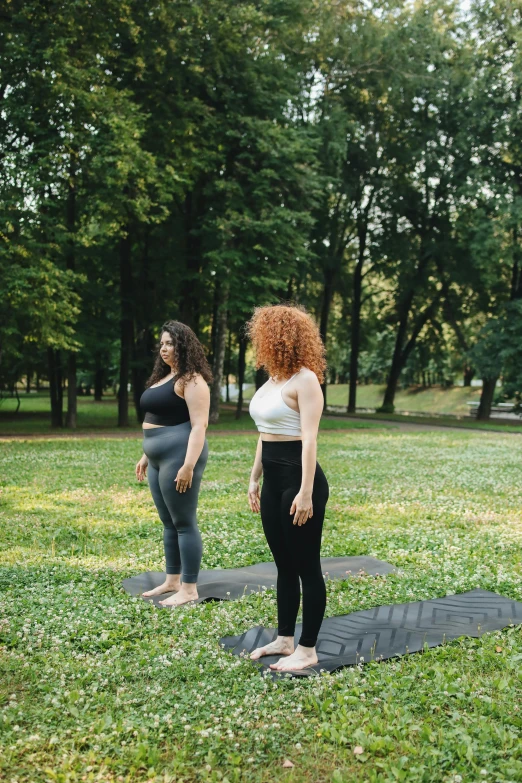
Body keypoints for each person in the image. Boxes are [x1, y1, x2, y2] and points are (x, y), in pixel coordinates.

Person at [246, 304, 329, 672]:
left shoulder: (305, 380)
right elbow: (264, 434)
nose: (258, 340)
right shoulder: (272, 382)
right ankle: (284, 639)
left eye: (263, 334)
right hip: (274, 481)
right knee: (283, 566)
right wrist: (254, 477)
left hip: (300, 481)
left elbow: (309, 440)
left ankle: (308, 649)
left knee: (306, 566)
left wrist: (307, 491)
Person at [135, 320, 212, 607]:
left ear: (183, 345)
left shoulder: (192, 380)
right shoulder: (166, 377)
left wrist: (188, 465)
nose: (164, 348)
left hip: (180, 456)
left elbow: (199, 427)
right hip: (157, 457)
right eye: (162, 343)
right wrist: (146, 454)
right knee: (168, 523)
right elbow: (158, 417)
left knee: (183, 522)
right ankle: (172, 580)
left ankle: (189, 588)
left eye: (170, 343)